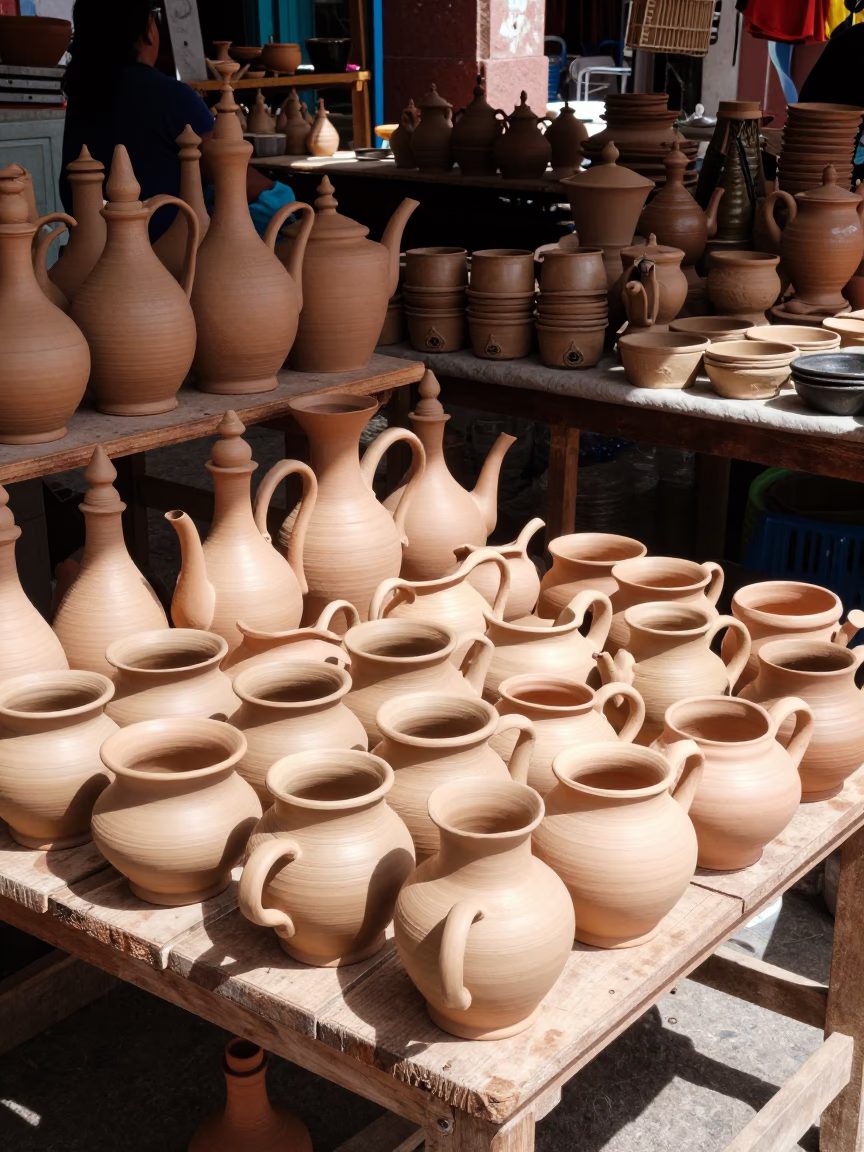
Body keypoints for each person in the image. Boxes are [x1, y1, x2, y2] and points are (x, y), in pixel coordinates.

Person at [61, 0, 294, 240]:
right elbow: (231, 174)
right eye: (156, 19)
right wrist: (283, 200)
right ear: (148, 29)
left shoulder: (82, 98)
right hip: (165, 249)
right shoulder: (168, 95)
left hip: (92, 248)